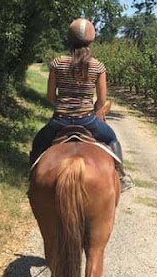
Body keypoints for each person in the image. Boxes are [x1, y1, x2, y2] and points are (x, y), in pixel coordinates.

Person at [29, 18, 133, 192]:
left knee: (38, 142)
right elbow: (101, 101)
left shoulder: (57, 63)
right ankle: (121, 177)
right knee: (112, 139)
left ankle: (32, 179)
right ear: (91, 40)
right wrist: (92, 109)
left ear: (69, 39)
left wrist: (62, 105)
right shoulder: (97, 66)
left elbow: (49, 95)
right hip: (87, 120)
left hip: (59, 120)